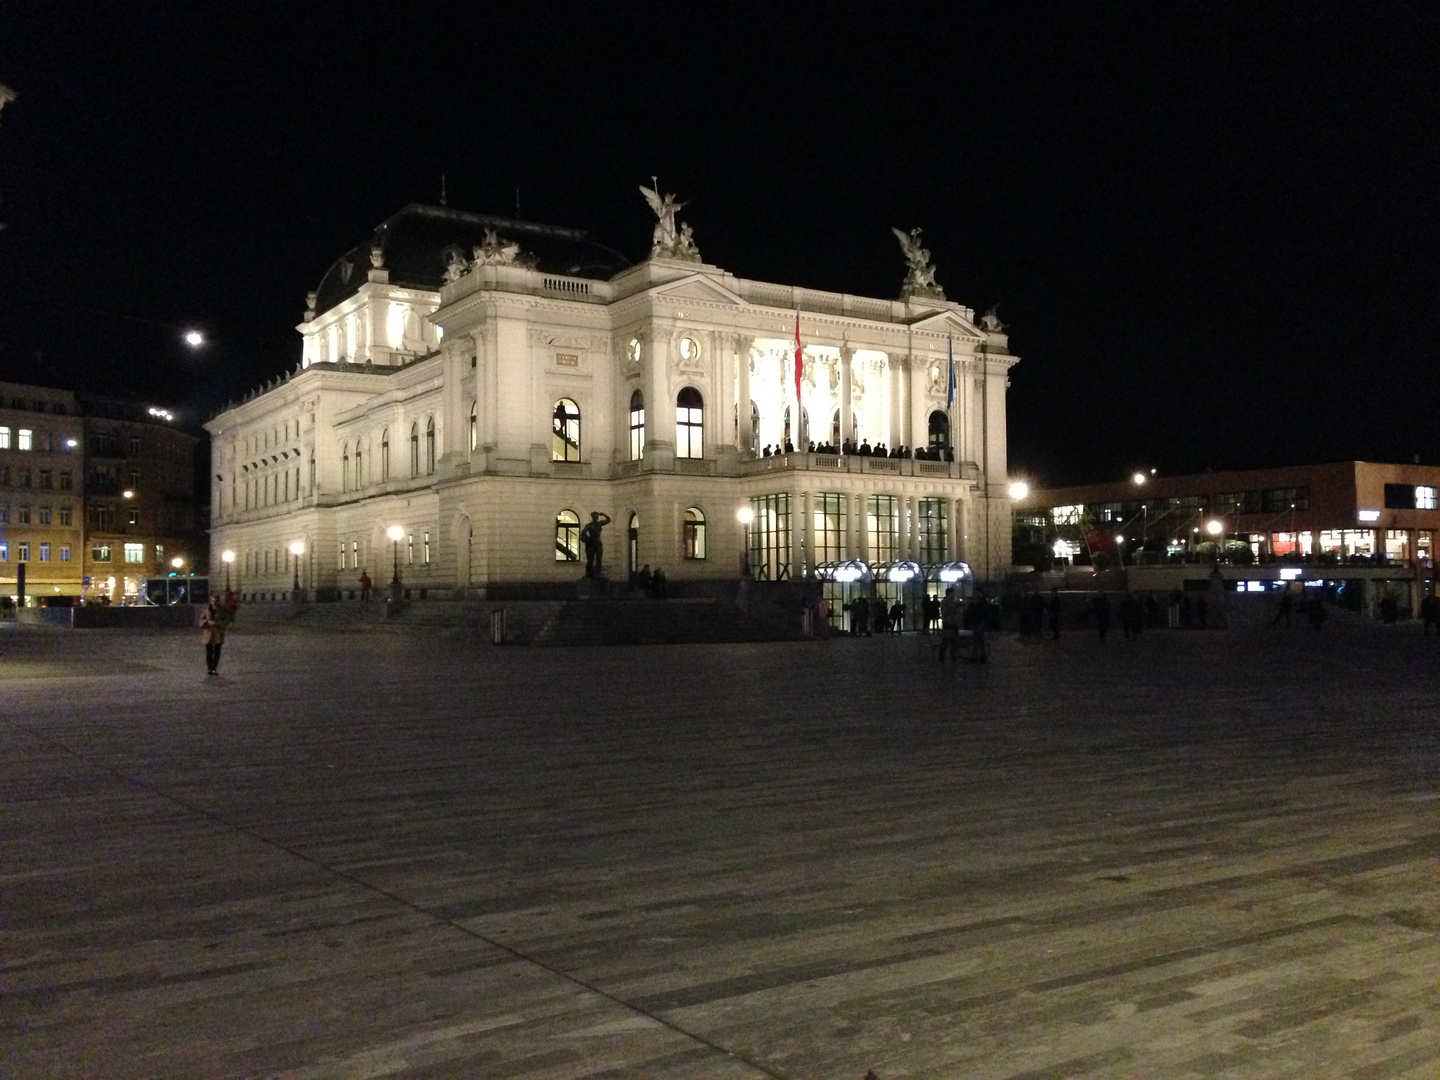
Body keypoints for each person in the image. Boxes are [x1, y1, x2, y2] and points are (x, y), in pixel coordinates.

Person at [200, 595, 232, 676]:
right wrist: (207, 622)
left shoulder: (222, 610)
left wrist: (218, 623)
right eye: (213, 601)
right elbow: (201, 619)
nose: (214, 603)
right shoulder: (207, 609)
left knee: (217, 651)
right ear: (210, 601)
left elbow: (227, 620)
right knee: (209, 651)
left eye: (216, 601)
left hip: (218, 632)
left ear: (218, 601)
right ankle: (209, 668)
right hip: (208, 632)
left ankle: (214, 668)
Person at [579, 511, 611, 578]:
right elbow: (583, 533)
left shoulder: (599, 524)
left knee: (599, 559)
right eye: (595, 516)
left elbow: (608, 520)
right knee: (590, 559)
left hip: (597, 543)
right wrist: (586, 539)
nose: (596, 517)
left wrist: (604, 514)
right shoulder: (589, 525)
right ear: (593, 517)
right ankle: (588, 573)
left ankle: (598, 573)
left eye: (597, 516)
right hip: (591, 543)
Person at [938, 586, 963, 663]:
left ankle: (949, 656)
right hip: (949, 623)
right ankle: (949, 656)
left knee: (949, 641)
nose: (954, 595)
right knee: (948, 640)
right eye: (953, 593)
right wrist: (957, 605)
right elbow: (950, 611)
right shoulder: (946, 602)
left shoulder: (946, 601)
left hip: (950, 622)